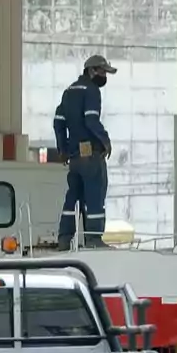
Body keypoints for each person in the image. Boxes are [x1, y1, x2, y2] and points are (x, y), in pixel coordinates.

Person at [53, 54, 117, 250]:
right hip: (90, 154)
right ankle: (94, 239)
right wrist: (105, 140)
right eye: (103, 71)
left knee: (73, 197)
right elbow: (91, 120)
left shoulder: (69, 91)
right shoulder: (91, 91)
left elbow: (58, 122)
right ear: (91, 71)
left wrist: (62, 149)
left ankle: (64, 238)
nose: (104, 76)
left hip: (74, 157)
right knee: (95, 195)